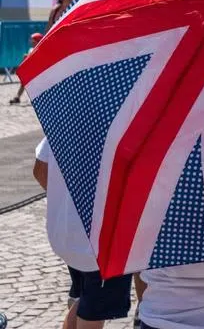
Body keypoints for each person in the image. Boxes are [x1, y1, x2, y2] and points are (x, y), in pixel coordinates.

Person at [34, 138, 133, 329]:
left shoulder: (69, 116)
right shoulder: (124, 119)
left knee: (85, 302)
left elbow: (40, 168)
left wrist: (68, 200)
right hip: (103, 240)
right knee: (92, 311)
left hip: (70, 234)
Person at [9, 31, 42, 105]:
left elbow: (36, 60)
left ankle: (37, 99)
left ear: (38, 41)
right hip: (31, 70)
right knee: (23, 83)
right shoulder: (31, 49)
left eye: (33, 40)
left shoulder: (40, 49)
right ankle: (17, 97)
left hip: (37, 71)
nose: (31, 42)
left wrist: (27, 57)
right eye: (32, 40)